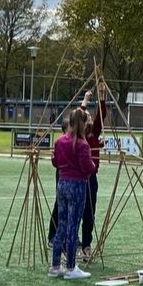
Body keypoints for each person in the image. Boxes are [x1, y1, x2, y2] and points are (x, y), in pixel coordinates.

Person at [47, 87, 106, 262]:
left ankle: (83, 247)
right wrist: (86, 101)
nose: (89, 117)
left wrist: (101, 97)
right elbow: (86, 166)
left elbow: (100, 116)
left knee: (87, 213)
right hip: (79, 180)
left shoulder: (91, 133)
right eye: (86, 116)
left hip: (76, 180)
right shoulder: (79, 140)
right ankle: (67, 254)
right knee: (69, 217)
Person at [49, 108, 97, 280]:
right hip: (76, 185)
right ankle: (70, 267)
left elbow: (55, 162)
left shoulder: (60, 141)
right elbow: (87, 167)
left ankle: (55, 265)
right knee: (73, 225)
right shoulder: (82, 144)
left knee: (61, 224)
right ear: (83, 124)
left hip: (62, 183)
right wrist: (92, 166)